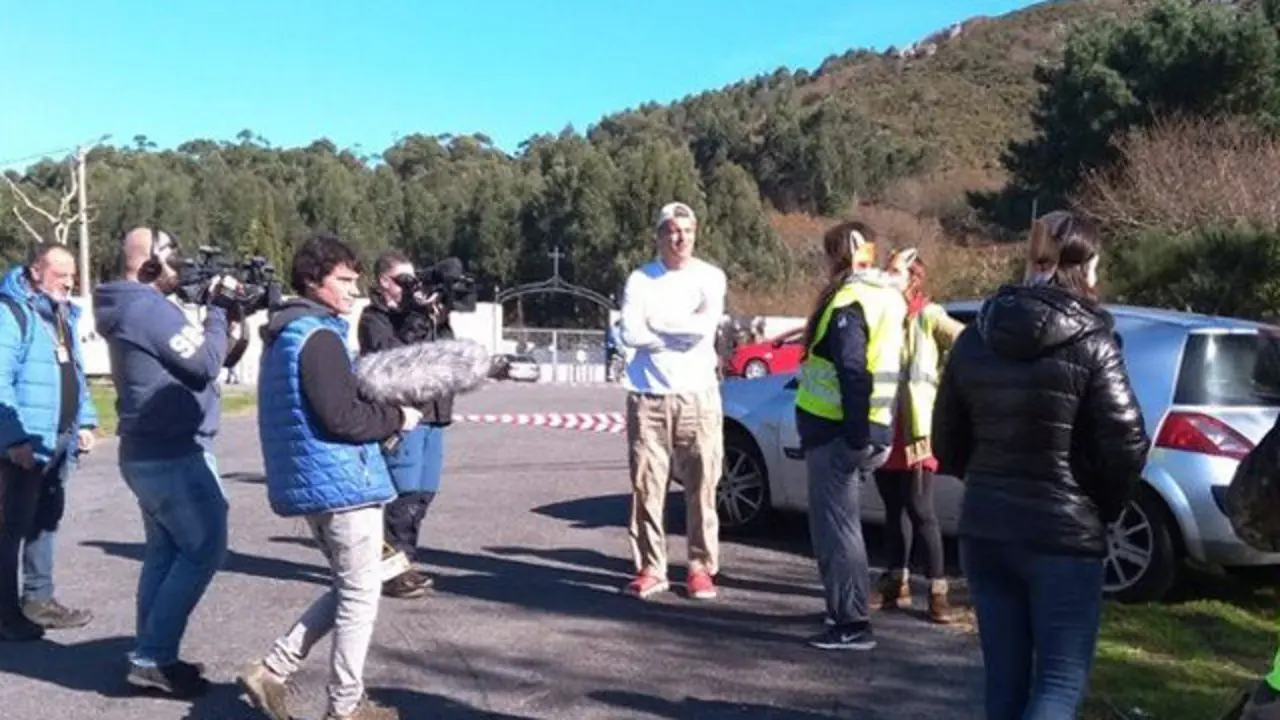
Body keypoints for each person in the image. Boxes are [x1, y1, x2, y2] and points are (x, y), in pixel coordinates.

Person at [932, 210, 1150, 718]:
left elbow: (947, 440)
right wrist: (1101, 508)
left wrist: (987, 480)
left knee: (1003, 686)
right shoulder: (1096, 342)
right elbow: (1126, 444)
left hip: (987, 526)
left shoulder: (974, 337)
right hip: (1063, 538)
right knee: (1058, 682)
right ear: (1089, 266)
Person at [239, 233, 419, 720]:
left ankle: (273, 669)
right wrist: (397, 420)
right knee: (361, 595)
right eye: (343, 280)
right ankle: (345, 706)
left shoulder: (288, 332)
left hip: (318, 484)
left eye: (355, 280)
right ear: (313, 280)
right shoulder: (318, 336)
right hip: (343, 485)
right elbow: (342, 417)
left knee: (351, 585)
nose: (352, 290)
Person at [94, 228, 234, 697]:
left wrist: (226, 320)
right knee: (203, 549)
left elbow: (199, 356)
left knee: (166, 552)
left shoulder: (128, 307)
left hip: (146, 453)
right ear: (150, 263)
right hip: (174, 453)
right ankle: (153, 655)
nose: (183, 267)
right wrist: (218, 309)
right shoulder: (145, 307)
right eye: (173, 258)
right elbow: (205, 364)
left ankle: (152, 653)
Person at [793, 220, 906, 651]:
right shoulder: (886, 298)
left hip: (839, 433)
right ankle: (843, 608)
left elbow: (853, 370)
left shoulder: (850, 300)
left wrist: (855, 436)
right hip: (868, 429)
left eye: (828, 254)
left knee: (836, 529)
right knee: (843, 525)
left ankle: (851, 623)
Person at [617, 201, 727, 601]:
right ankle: (651, 567)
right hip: (648, 398)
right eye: (671, 230)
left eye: (687, 230)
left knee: (703, 488)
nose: (679, 238)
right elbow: (630, 332)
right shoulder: (640, 280)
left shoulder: (710, 278)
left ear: (696, 233)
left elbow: (703, 330)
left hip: (699, 397)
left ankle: (700, 566)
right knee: (647, 488)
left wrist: (656, 326)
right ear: (659, 235)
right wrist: (674, 330)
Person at [0, 242, 97, 642]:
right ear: (36, 272)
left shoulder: (61, 315)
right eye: (61, 275)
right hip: (24, 444)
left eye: (73, 275)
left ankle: (38, 600)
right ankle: (6, 615)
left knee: (45, 520)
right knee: (11, 527)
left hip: (59, 438)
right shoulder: (12, 314)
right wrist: (14, 438)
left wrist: (86, 419)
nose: (70, 283)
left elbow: (75, 370)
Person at [869, 248, 964, 624]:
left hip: (917, 430)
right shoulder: (882, 315)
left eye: (898, 274)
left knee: (920, 509)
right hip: (883, 423)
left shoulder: (928, 314)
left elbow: (964, 339)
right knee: (892, 509)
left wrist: (947, 387)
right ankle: (897, 582)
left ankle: (938, 591)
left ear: (914, 280)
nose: (890, 280)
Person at [357, 249, 452, 599]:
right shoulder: (374, 318)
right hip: (404, 416)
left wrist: (439, 318)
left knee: (422, 496)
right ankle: (390, 572)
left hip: (434, 415)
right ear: (384, 282)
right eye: (402, 282)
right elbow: (394, 360)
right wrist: (414, 317)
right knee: (401, 498)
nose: (409, 289)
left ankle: (405, 562)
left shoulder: (418, 316)